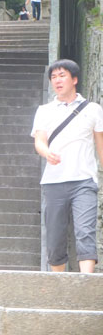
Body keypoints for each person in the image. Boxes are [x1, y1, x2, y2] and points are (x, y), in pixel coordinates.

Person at [31, 59, 103, 273]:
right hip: (53, 182)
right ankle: (58, 284)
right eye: (53, 77)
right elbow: (39, 141)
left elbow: (100, 145)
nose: (57, 80)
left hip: (84, 181)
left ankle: (85, 282)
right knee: (55, 238)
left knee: (85, 232)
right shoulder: (44, 110)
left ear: (74, 79)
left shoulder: (93, 109)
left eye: (62, 75)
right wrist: (47, 152)